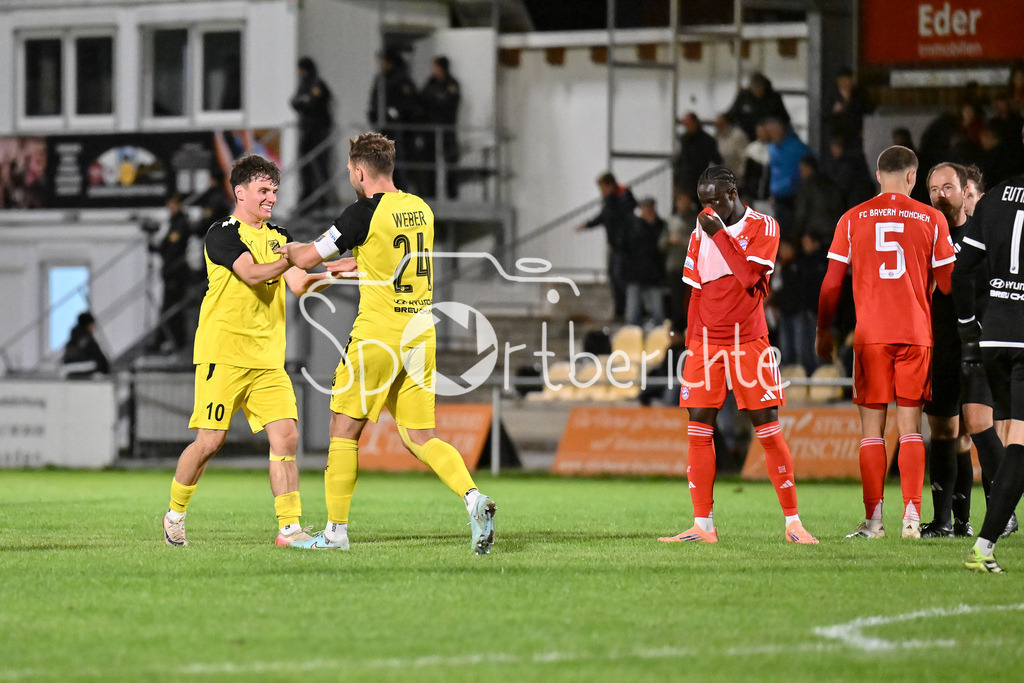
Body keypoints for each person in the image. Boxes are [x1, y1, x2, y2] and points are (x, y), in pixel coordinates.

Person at [274, 132, 497, 554]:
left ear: (360, 172)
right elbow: (381, 260)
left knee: (343, 430)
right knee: (420, 435)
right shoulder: (420, 209)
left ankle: (335, 534)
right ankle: (473, 499)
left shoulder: (362, 214)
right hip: (420, 334)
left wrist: (279, 245)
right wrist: (335, 273)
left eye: (350, 173)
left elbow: (304, 259)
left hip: (378, 335)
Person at [161, 154, 326, 548]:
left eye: (274, 191)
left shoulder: (279, 236)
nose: (271, 198)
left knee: (286, 438)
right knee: (209, 443)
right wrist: (289, 257)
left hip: (268, 362)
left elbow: (300, 284)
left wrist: (340, 270)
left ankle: (290, 529)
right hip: (224, 355)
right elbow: (252, 273)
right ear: (240, 192)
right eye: (264, 191)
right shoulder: (222, 233)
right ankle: (174, 514)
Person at [658, 165, 818, 545]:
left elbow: (749, 277)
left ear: (734, 192)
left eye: (715, 199)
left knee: (767, 428)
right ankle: (703, 526)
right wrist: (694, 342)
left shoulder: (766, 226)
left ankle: (793, 523)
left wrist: (719, 235)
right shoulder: (703, 226)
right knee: (698, 427)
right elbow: (696, 288)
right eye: (703, 201)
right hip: (706, 344)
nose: (709, 207)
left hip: (749, 341)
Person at [815, 145, 955, 540]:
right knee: (910, 427)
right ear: (912, 177)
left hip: (871, 336)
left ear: (879, 176)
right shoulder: (931, 219)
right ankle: (912, 518)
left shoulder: (852, 218)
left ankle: (874, 522)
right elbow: (947, 284)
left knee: (871, 432)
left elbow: (830, 284)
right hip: (914, 333)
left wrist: (824, 329)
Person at [952, 129, 1024, 572]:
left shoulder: (995, 197)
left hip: (994, 337)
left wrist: (967, 332)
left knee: (1013, 434)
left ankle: (989, 537)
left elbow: (962, 271)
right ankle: (984, 544)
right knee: (1019, 443)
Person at [921, 162, 1004, 538]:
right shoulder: (924, 235)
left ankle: (999, 516)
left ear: (964, 188)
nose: (942, 195)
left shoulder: (979, 234)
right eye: (934, 189)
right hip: (939, 346)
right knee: (943, 432)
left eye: (949, 187)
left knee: (975, 428)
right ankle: (946, 522)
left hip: (976, 345)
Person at [576, 172, 638, 321]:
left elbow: (623, 213)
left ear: (610, 186)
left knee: (620, 276)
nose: (602, 192)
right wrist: (588, 225)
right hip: (614, 246)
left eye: (603, 188)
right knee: (613, 277)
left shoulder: (622, 197)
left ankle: (630, 309)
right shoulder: (609, 201)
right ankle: (619, 311)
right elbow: (604, 217)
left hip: (624, 246)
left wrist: (611, 199)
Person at [368, 48, 421, 193]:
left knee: (398, 163)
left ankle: (400, 193)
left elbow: (409, 104)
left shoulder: (401, 78)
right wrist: (374, 114)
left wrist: (394, 113)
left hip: (398, 130)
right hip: (383, 129)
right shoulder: (380, 78)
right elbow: (375, 100)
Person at [150, 193, 192, 353]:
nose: (170, 208)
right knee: (168, 309)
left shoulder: (181, 223)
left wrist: (161, 250)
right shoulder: (174, 223)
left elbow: (174, 248)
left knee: (172, 309)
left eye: (173, 204)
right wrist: (155, 246)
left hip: (176, 273)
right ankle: (165, 339)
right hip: (171, 273)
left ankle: (174, 341)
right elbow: (166, 246)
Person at [291, 57, 335, 209]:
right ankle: (307, 198)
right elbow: (295, 102)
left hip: (319, 131)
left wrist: (304, 101)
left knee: (320, 166)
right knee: (306, 165)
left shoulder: (317, 83)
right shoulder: (303, 84)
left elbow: (312, 101)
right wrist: (303, 101)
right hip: (307, 130)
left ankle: (323, 200)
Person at [419, 55, 461, 199]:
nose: (434, 71)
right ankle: (430, 194)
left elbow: (448, 103)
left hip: (447, 129)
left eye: (436, 67)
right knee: (430, 162)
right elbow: (423, 99)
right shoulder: (430, 83)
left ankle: (452, 194)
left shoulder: (452, 84)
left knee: (450, 160)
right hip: (431, 129)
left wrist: (436, 99)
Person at [763, 117, 812, 235]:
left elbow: (808, 172)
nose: (770, 136)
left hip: (794, 198)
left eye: (772, 132)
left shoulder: (798, 148)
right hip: (777, 199)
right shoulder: (772, 147)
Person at [623, 197, 666, 329]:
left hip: (654, 273)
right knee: (632, 313)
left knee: (657, 311)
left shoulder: (661, 225)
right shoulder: (634, 225)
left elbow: (661, 248)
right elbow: (628, 246)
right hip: (635, 273)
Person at [661, 190, 697, 330]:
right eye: (680, 201)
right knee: (676, 302)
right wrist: (670, 240)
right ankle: (678, 331)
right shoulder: (671, 221)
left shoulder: (697, 220)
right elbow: (661, 243)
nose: (683, 204)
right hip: (674, 267)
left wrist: (684, 241)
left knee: (691, 301)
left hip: (692, 268)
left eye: (686, 200)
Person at [793, 155, 844, 245]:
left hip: (814, 234)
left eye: (803, 169)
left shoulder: (806, 187)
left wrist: (796, 235)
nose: (801, 173)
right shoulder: (830, 182)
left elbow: (801, 213)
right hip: (834, 230)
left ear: (810, 168)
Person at [726, 72, 790, 141]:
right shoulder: (744, 96)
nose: (757, 89)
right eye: (754, 86)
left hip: (767, 135)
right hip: (743, 133)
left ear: (764, 86)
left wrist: (767, 127)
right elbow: (732, 113)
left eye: (759, 87)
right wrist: (723, 118)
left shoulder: (774, 98)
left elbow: (784, 118)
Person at [824, 67, 875, 149]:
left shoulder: (859, 93)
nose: (845, 84)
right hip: (838, 136)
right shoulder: (832, 94)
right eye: (842, 82)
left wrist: (865, 129)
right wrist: (834, 111)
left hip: (856, 135)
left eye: (847, 81)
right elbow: (825, 116)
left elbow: (869, 110)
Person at [674, 112, 722, 197]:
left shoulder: (707, 140)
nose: (687, 127)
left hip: (699, 179)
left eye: (689, 124)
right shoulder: (684, 139)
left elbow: (716, 159)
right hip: (684, 180)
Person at [60, 311, 109, 379]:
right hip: (83, 366)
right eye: (92, 326)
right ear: (89, 325)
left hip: (66, 367)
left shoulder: (73, 338)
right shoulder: (87, 339)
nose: (93, 329)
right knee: (96, 366)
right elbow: (100, 358)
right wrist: (106, 370)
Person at [713, 113, 748, 184]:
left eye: (719, 122)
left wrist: (741, 173)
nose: (717, 125)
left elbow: (744, 157)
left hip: (736, 177)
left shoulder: (737, 135)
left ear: (726, 122)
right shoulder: (717, 136)